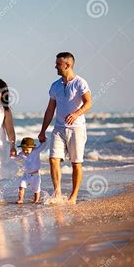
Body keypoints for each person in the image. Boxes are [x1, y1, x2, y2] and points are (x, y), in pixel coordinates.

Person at [38, 52, 92, 204]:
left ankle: (73, 197)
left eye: (58, 64)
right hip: (59, 128)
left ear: (67, 65)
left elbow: (89, 103)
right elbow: (50, 110)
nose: (55, 66)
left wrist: (76, 114)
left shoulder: (80, 83)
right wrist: (42, 131)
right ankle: (58, 193)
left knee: (76, 163)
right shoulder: (55, 85)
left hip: (77, 129)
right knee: (53, 159)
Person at [13, 137, 46, 204]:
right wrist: (12, 156)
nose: (25, 151)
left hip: (36, 175)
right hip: (26, 175)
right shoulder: (22, 154)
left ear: (32, 148)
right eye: (23, 149)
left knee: (36, 189)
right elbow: (15, 158)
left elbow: (44, 145)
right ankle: (20, 199)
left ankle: (36, 200)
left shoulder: (36, 151)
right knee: (21, 186)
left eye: (27, 150)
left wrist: (44, 139)